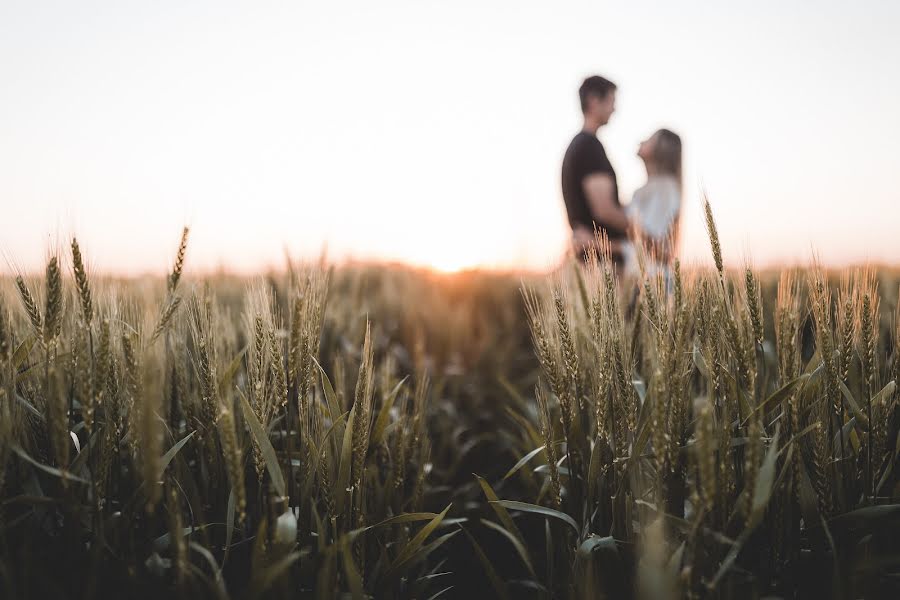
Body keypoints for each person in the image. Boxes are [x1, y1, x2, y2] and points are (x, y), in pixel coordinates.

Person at [561, 76, 628, 265]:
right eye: (611, 101)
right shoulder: (589, 146)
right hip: (601, 263)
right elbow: (604, 209)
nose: (614, 109)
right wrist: (645, 232)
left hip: (592, 259)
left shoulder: (579, 145)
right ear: (593, 100)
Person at [622, 129, 683, 278]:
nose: (641, 141)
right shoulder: (652, 188)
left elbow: (654, 245)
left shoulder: (665, 189)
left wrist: (597, 245)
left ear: (661, 149)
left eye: (649, 139)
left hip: (654, 281)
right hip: (643, 280)